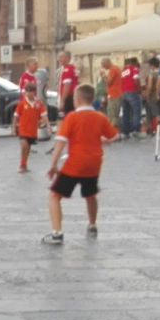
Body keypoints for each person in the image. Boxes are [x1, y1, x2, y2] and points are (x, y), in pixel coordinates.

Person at [43, 84, 118, 245]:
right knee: (90, 194)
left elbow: (60, 143)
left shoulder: (71, 117)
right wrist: (102, 140)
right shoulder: (100, 117)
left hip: (75, 163)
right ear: (92, 99)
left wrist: (53, 164)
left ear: (77, 100)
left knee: (55, 195)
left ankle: (56, 233)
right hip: (94, 164)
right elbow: (113, 136)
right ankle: (92, 225)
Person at [12, 83, 50, 173]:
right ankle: (21, 164)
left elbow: (44, 115)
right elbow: (16, 117)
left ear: (34, 92)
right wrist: (13, 128)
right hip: (23, 129)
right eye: (26, 91)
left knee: (28, 148)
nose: (27, 93)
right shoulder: (21, 103)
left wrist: (48, 125)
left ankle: (24, 164)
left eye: (29, 91)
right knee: (24, 145)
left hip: (32, 131)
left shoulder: (39, 103)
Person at [120, 57, 142, 139]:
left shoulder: (123, 70)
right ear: (135, 62)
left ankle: (126, 131)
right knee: (136, 111)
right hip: (132, 91)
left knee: (126, 112)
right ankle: (135, 130)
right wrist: (139, 89)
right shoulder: (134, 69)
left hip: (123, 92)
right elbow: (136, 80)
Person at [101, 58, 122, 129]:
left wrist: (103, 75)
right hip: (113, 95)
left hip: (114, 95)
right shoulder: (115, 69)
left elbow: (108, 82)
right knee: (112, 114)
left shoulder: (113, 69)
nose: (103, 67)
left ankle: (114, 132)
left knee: (113, 115)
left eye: (104, 65)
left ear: (107, 63)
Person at [143, 58, 160, 136]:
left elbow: (149, 86)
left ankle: (155, 130)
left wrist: (147, 94)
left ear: (152, 65)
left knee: (154, 114)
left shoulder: (152, 74)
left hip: (153, 97)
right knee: (159, 113)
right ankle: (159, 129)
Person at [56, 51, 77, 116]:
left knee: (64, 117)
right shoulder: (71, 67)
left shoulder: (67, 68)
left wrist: (62, 101)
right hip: (71, 96)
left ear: (67, 58)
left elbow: (67, 85)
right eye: (58, 57)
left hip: (68, 97)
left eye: (61, 57)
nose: (59, 59)